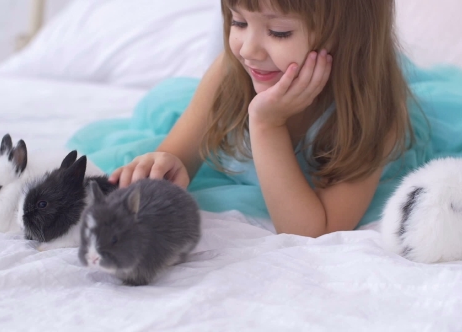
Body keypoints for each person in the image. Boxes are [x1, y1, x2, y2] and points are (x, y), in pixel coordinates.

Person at [106, 0, 413, 237]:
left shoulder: (372, 111)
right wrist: (164, 165)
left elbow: (314, 234)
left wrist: (267, 124)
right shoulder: (230, 74)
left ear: (349, 33)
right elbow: (175, 157)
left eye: (279, 31)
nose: (249, 50)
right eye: (238, 22)